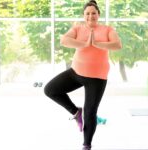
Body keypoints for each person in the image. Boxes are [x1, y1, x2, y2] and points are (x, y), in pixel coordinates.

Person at [44, 0, 122, 149]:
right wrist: (85, 44)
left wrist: (98, 44)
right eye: (87, 13)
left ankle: (86, 145)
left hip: (97, 78)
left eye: (93, 13)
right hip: (76, 72)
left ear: (98, 14)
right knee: (50, 90)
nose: (90, 16)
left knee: (90, 112)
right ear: (83, 15)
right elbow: (64, 40)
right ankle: (75, 111)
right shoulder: (78, 28)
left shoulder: (107, 29)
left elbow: (117, 45)